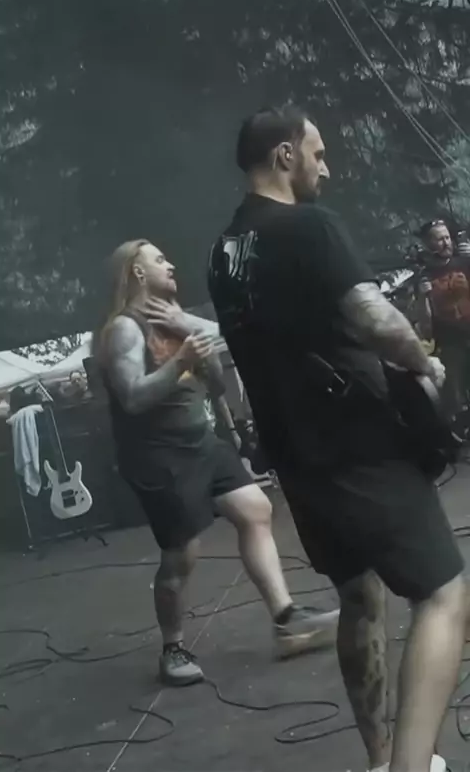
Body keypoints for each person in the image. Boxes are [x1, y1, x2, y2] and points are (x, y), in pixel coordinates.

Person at [208, 105, 467, 772]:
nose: (327, 168)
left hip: (298, 463)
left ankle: (380, 760)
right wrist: (424, 363)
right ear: (285, 155)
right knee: (444, 594)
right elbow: (374, 318)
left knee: (360, 595)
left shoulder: (225, 253)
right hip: (359, 446)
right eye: (318, 153)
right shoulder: (308, 225)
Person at [94, 239, 338, 687]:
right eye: (159, 259)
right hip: (159, 456)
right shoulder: (125, 329)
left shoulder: (176, 320)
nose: (171, 264)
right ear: (137, 272)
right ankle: (172, 649)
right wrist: (181, 361)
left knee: (256, 509)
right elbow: (132, 398)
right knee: (182, 556)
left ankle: (286, 620)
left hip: (201, 443)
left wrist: (204, 361)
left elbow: (217, 386)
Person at [416, 219, 470, 419]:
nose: (447, 243)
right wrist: (422, 297)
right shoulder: (424, 277)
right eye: (440, 239)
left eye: (447, 237)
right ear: (428, 244)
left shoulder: (465, 261)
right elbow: (425, 325)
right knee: (456, 401)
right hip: (450, 344)